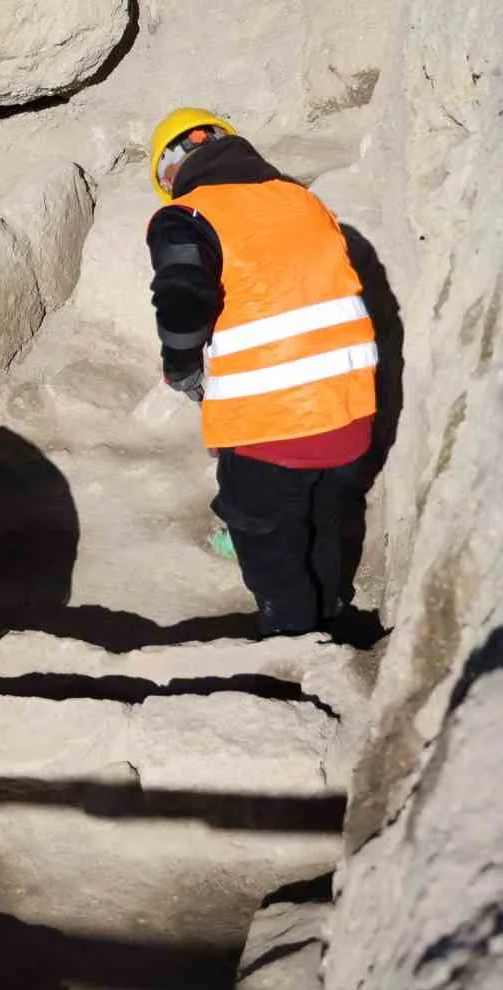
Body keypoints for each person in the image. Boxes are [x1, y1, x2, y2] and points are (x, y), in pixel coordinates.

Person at [146, 107, 378, 636]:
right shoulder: (302, 199)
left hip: (271, 431)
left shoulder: (187, 216)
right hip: (350, 415)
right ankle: (332, 611)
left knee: (268, 542)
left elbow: (182, 297)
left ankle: (295, 643)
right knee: (323, 521)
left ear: (169, 177)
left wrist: (180, 367)